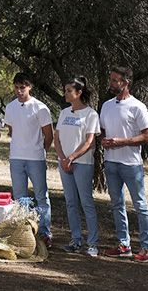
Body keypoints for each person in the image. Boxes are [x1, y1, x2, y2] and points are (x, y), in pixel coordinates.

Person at [100, 66, 148, 262]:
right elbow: (104, 131)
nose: (112, 83)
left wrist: (122, 142)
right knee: (117, 205)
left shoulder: (137, 106)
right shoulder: (106, 106)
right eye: (111, 80)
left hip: (131, 164)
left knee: (140, 205)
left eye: (116, 80)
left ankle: (147, 248)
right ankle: (124, 245)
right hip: (111, 163)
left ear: (126, 82)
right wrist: (104, 141)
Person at [3, 72, 54, 246]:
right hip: (16, 157)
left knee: (41, 196)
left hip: (35, 158)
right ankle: (23, 232)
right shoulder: (10, 107)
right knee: (19, 197)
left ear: (30, 87)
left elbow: (49, 135)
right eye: (16, 87)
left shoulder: (40, 107)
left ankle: (45, 232)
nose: (19, 91)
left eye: (22, 87)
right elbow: (11, 130)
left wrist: (40, 151)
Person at [54, 76, 100, 257]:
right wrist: (63, 158)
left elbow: (89, 141)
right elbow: (57, 138)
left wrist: (72, 157)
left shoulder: (91, 114)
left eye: (68, 91)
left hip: (82, 163)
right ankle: (75, 240)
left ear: (79, 93)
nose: (65, 94)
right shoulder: (64, 113)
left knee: (86, 203)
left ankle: (92, 243)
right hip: (64, 163)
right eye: (65, 90)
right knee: (71, 203)